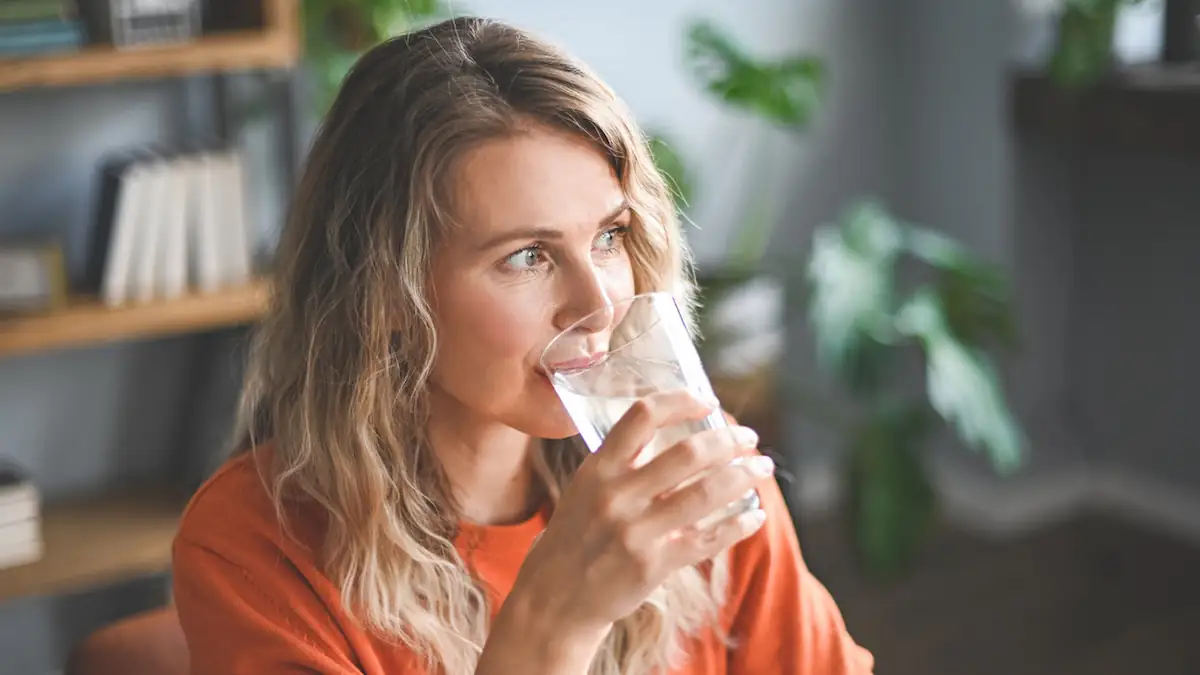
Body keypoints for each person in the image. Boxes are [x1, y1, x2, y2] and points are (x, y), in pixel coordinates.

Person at [171, 15, 873, 675]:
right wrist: (555, 621)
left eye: (609, 236)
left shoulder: (690, 476)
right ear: (382, 292)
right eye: (527, 257)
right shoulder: (254, 548)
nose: (598, 303)